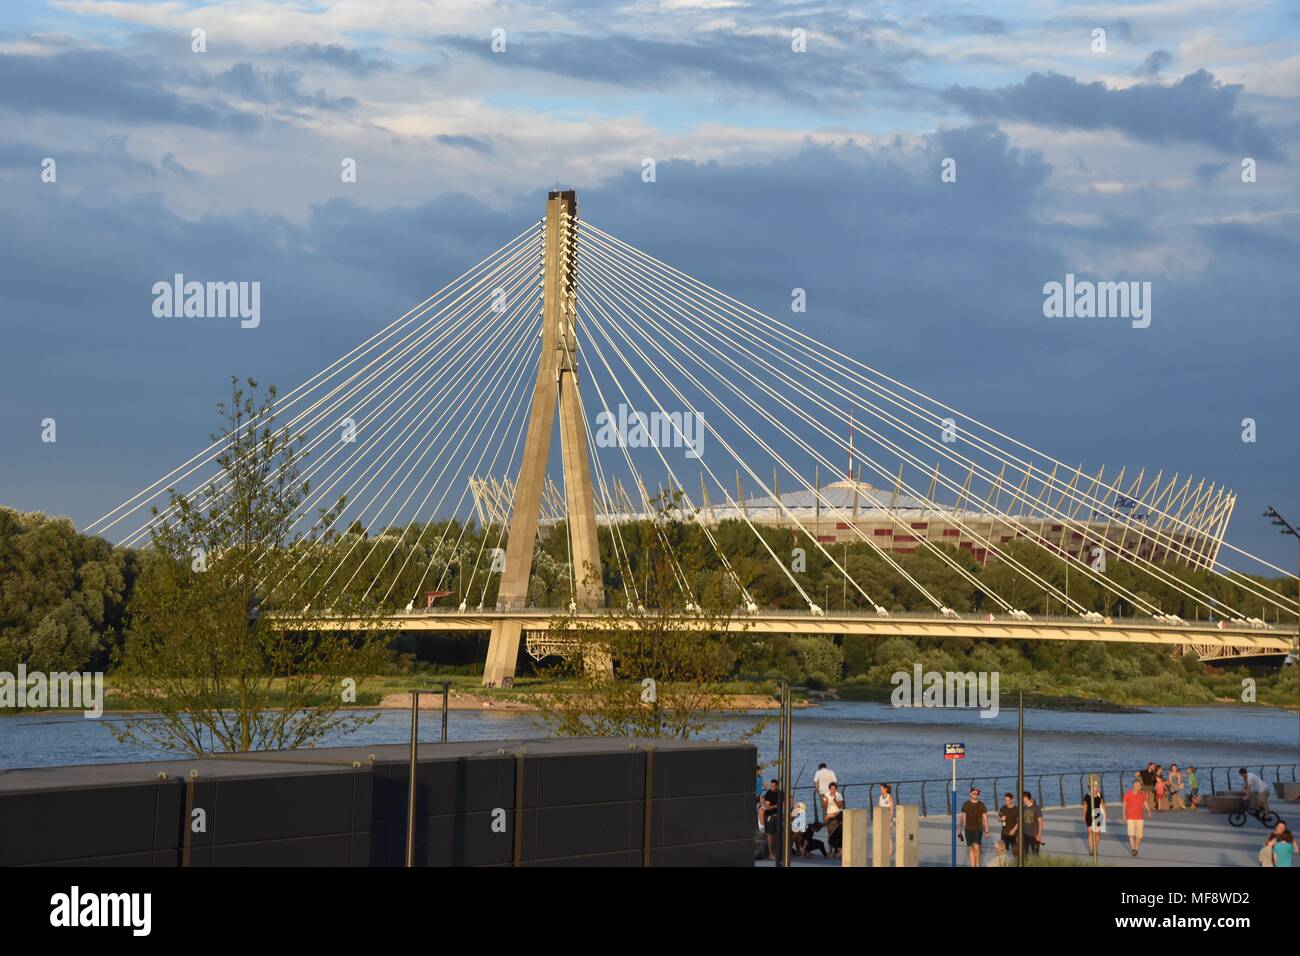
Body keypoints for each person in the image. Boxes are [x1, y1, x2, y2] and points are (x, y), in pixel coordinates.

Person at [959, 787, 990, 867]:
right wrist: (959, 829)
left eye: (977, 794)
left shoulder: (981, 805)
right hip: (968, 829)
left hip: (978, 828)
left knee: (977, 847)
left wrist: (986, 831)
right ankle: (973, 865)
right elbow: (962, 817)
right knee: (971, 848)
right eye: (974, 793)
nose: (976, 795)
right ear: (970, 794)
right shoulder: (966, 804)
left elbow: (985, 818)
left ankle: (977, 864)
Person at [1122, 778, 1151, 857]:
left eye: (1140, 785)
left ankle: (1136, 848)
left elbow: (1145, 803)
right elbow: (1124, 806)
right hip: (1130, 817)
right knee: (1131, 834)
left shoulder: (1142, 794)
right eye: (1138, 785)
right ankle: (1133, 850)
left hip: (1140, 817)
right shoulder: (1127, 794)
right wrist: (1124, 815)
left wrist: (1149, 811)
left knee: (1139, 835)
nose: (1140, 786)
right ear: (1134, 785)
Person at [762, 779, 783, 860]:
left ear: (777, 786)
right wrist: (776, 806)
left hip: (778, 816)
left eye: (773, 786)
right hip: (769, 816)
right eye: (771, 786)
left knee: (777, 835)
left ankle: (776, 852)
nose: (772, 787)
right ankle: (771, 854)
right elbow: (767, 807)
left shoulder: (781, 793)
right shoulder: (769, 793)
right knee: (770, 835)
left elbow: (787, 801)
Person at [1083, 781, 1106, 857]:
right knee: (1090, 832)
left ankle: (1095, 849)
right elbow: (1085, 806)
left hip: (1098, 814)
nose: (1096, 788)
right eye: (1094, 787)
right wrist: (1083, 816)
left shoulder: (1100, 795)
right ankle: (1091, 850)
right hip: (1089, 815)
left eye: (1096, 787)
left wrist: (1105, 815)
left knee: (1097, 833)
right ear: (1090, 788)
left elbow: (1102, 805)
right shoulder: (1087, 796)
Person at [1020, 791, 1043, 856]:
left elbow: (1040, 822)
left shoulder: (1036, 808)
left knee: (1035, 854)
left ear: (1025, 798)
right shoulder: (1023, 808)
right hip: (1025, 835)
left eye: (1022, 798)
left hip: (1034, 835)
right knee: (1024, 854)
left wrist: (1039, 835)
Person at [997, 792, 1019, 858]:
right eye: (1005, 800)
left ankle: (1016, 863)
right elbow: (998, 818)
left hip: (1014, 833)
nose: (1006, 802)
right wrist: (1001, 819)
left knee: (1015, 851)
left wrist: (1013, 830)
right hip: (1004, 832)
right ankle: (1003, 863)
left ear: (1012, 800)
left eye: (1008, 800)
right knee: (1003, 850)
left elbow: (1019, 822)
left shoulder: (1016, 809)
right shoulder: (1003, 808)